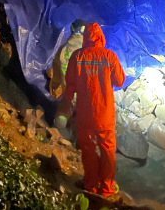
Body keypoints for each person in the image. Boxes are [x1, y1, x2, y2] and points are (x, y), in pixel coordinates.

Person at [62, 22, 125, 197]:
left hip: (84, 114)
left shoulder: (77, 56)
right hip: (104, 114)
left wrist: (64, 108)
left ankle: (90, 184)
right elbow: (120, 81)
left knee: (88, 149)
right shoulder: (109, 56)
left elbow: (69, 88)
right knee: (107, 150)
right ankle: (106, 188)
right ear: (100, 37)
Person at [48, 19, 86, 98]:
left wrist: (54, 91)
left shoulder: (63, 49)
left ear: (72, 29)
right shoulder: (90, 50)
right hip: (86, 99)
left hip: (70, 98)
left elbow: (56, 77)